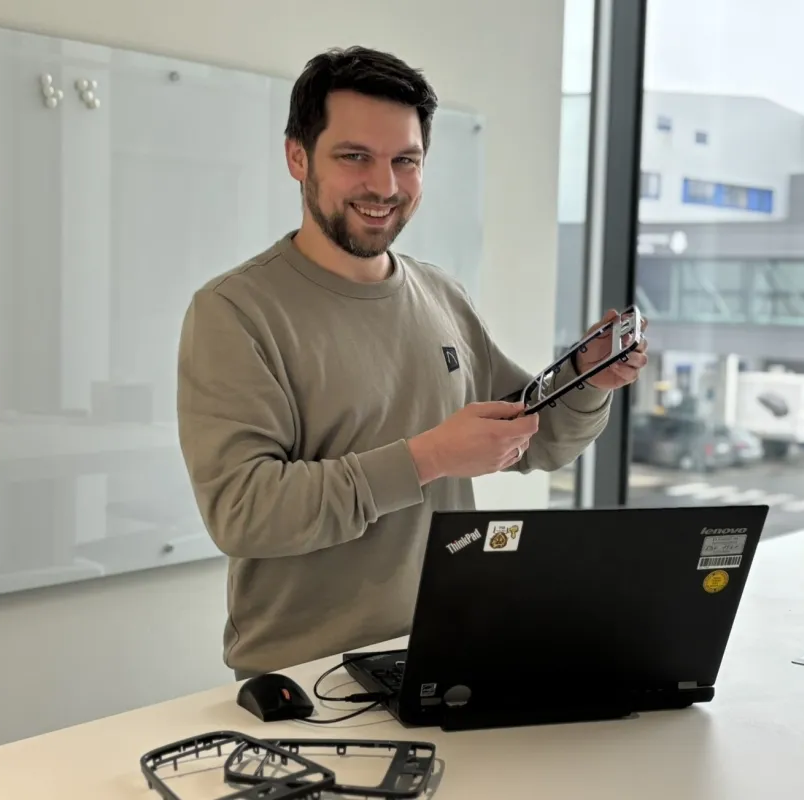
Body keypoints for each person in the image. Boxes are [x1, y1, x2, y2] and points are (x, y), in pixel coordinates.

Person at [176, 46, 648, 679]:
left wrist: (587, 379)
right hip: (309, 679)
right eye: (354, 157)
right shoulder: (235, 311)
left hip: (453, 649)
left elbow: (535, 437)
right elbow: (245, 513)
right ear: (297, 157)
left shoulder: (441, 294)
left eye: (406, 160)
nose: (385, 186)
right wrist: (429, 458)